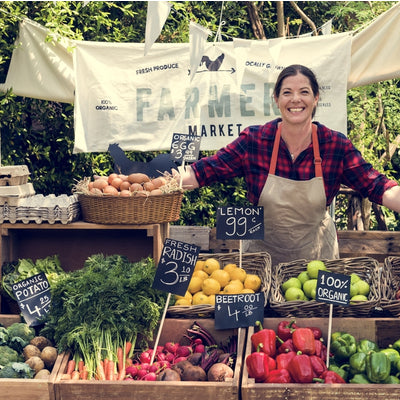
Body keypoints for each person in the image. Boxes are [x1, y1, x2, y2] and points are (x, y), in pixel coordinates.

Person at [176, 64, 400, 266]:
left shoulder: (334, 145)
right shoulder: (255, 140)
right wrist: (162, 185)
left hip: (317, 262)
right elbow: (205, 171)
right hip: (260, 262)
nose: (296, 99)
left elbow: (376, 185)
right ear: (276, 99)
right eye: (287, 93)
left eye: (304, 92)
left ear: (316, 98)